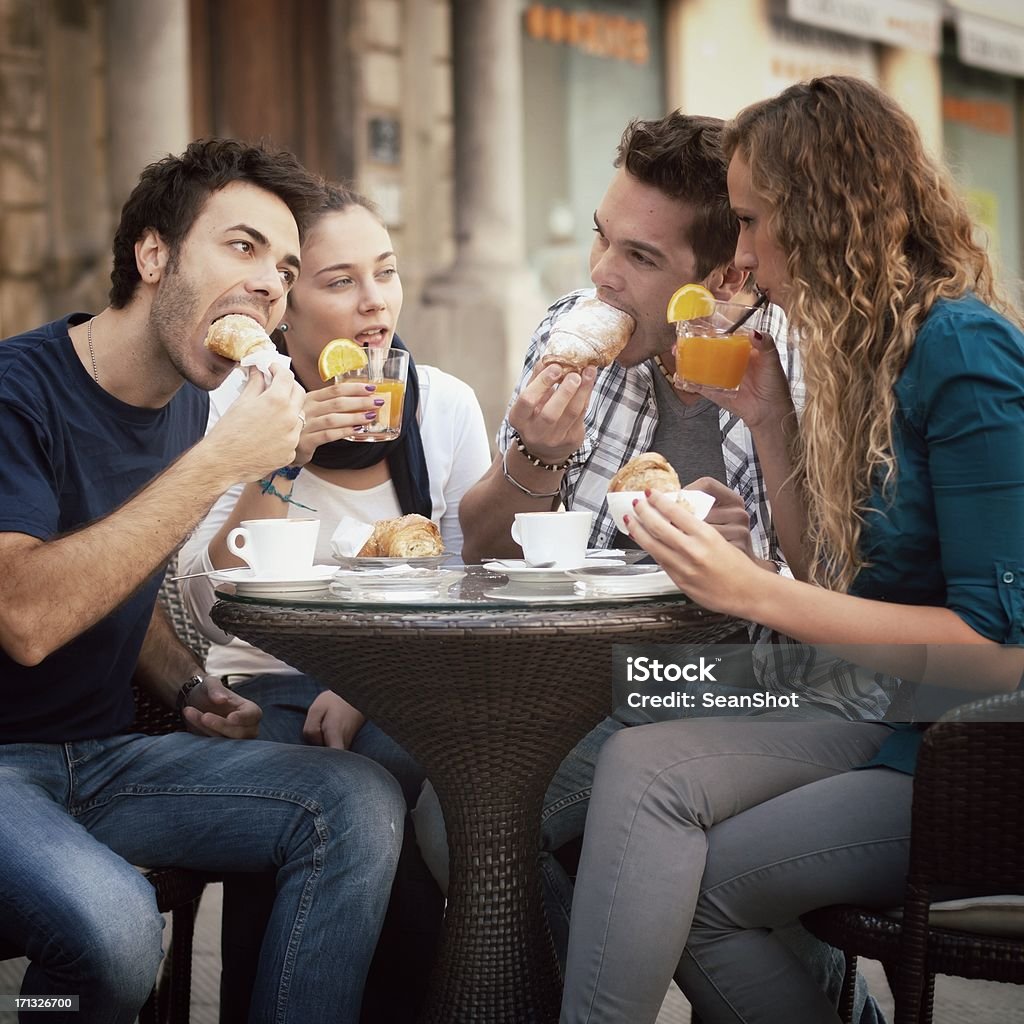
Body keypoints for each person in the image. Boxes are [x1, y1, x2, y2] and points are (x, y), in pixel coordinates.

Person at [558, 76, 1024, 1024]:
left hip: (962, 756)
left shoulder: (964, 352)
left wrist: (754, 592)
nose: (741, 254)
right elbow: (844, 584)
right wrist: (772, 427)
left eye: (751, 221)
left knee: (653, 800)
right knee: (624, 718)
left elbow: (999, 653)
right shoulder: (872, 349)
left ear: (823, 218)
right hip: (866, 700)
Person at [422, 111, 893, 1021]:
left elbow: (849, 597)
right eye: (603, 237)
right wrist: (533, 457)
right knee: (459, 826)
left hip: (766, 687)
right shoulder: (570, 333)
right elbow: (472, 551)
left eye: (638, 258)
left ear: (722, 276)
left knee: (653, 835)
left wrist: (750, 562)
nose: (601, 272)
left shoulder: (800, 365)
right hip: (591, 686)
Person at [0, 140, 406, 1024]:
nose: (270, 283)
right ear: (153, 256)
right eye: (242, 246)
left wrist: (185, 682)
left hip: (106, 758)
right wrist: (219, 460)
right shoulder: (16, 392)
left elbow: (118, 575)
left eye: (286, 266)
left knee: (355, 801)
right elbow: (27, 614)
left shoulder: (189, 402)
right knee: (114, 933)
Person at [178, 181, 491, 1021]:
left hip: (400, 680)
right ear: (283, 308)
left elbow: (468, 586)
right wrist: (283, 453)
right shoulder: (225, 409)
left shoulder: (443, 408)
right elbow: (206, 609)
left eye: (384, 274)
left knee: (402, 760)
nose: (374, 303)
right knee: (313, 775)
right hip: (261, 685)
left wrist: (363, 680)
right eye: (339, 280)